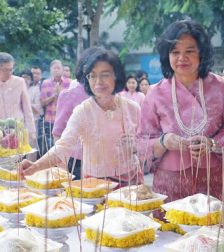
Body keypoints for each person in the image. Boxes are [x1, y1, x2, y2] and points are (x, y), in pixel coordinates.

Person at [139, 20, 224, 204]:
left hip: (211, 180)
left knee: (210, 231)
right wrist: (164, 141)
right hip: (169, 183)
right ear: (167, 55)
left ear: (202, 53)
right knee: (171, 229)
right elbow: (141, 142)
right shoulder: (155, 92)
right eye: (175, 52)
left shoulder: (222, 87)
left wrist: (213, 144)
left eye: (190, 51)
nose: (182, 58)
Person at [22, 48, 142, 185]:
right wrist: (35, 166)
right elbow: (63, 146)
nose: (98, 81)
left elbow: (144, 143)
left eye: (105, 75)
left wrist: (135, 146)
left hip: (131, 180)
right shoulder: (83, 111)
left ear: (117, 76)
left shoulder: (133, 108)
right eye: (92, 75)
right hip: (96, 184)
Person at [52, 51, 94, 180]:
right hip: (75, 160)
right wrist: (62, 166)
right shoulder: (69, 95)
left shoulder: (109, 96)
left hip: (105, 161)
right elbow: (58, 132)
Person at [0, 52, 37, 147]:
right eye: (6, 70)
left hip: (16, 130)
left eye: (11, 69)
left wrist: (32, 132)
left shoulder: (19, 82)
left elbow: (27, 109)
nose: (9, 73)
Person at [39, 60, 70, 154]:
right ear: (51, 70)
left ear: (62, 70)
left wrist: (61, 95)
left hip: (65, 120)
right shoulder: (45, 83)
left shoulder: (70, 83)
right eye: (54, 68)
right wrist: (54, 96)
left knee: (64, 147)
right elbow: (42, 102)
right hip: (50, 120)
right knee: (50, 148)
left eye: (58, 68)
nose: (56, 70)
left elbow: (72, 102)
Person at [27, 65, 44, 148]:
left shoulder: (43, 85)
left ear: (41, 75)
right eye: (33, 73)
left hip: (39, 118)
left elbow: (40, 106)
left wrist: (27, 104)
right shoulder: (25, 87)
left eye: (37, 73)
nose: (35, 75)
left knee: (35, 143)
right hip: (26, 119)